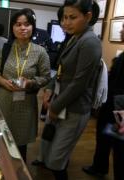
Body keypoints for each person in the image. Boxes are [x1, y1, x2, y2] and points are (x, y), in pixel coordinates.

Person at [34, 0, 101, 179]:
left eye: (72, 17)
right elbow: (61, 70)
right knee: (50, 144)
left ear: (88, 17)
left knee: (57, 159)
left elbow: (79, 83)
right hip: (60, 100)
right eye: (64, 17)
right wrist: (49, 90)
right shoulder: (75, 37)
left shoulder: (90, 42)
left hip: (74, 108)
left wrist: (55, 106)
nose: (66, 22)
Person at [0, 8, 51, 162]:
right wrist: (3, 82)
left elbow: (46, 77)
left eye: (27, 24)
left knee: (20, 144)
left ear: (33, 27)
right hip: (4, 99)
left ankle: (18, 172)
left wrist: (31, 82)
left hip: (26, 103)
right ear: (13, 27)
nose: (23, 28)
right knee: (1, 138)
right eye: (18, 24)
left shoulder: (40, 52)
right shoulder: (5, 48)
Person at [82, 23, 124, 180]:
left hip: (118, 110)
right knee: (104, 139)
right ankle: (99, 167)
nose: (121, 31)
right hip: (111, 107)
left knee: (119, 150)